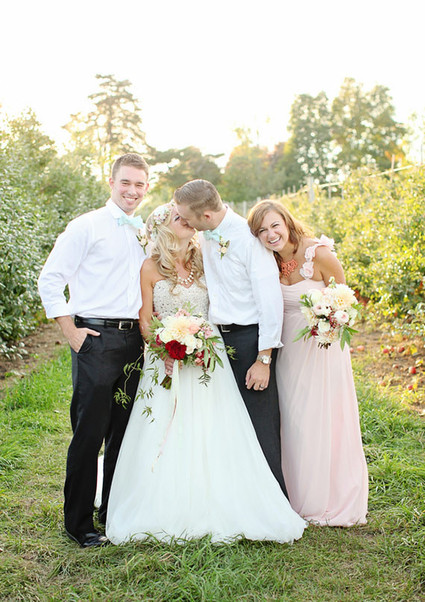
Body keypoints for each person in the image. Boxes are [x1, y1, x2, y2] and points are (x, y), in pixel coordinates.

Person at [106, 202, 306, 544]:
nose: (186, 220)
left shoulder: (204, 259)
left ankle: (225, 495)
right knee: (166, 429)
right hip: (166, 359)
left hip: (208, 356)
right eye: (177, 217)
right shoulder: (150, 267)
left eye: (187, 216)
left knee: (217, 427)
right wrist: (164, 349)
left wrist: (200, 341)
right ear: (162, 228)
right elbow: (145, 319)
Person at [38, 153, 149, 547]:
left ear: (146, 187)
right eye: (126, 182)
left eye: (139, 184)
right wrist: (71, 332)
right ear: (111, 181)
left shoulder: (145, 231)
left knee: (123, 432)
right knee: (89, 433)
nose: (132, 191)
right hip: (96, 339)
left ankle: (112, 512)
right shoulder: (86, 226)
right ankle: (79, 523)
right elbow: (50, 279)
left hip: (134, 342)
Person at [247, 199, 368, 526]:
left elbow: (345, 301)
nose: (271, 234)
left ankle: (332, 497)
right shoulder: (266, 261)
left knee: (323, 416)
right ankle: (299, 495)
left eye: (275, 225)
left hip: (323, 349)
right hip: (288, 351)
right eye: (262, 230)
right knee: (294, 419)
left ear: (287, 222)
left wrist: (329, 321)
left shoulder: (319, 254)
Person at [173, 180, 287, 496]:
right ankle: (239, 497)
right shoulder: (206, 235)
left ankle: (274, 500)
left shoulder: (248, 241)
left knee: (260, 424)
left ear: (206, 216)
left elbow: (270, 304)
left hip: (251, 341)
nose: (184, 223)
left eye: (187, 218)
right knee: (230, 424)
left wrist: (264, 360)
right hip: (218, 341)